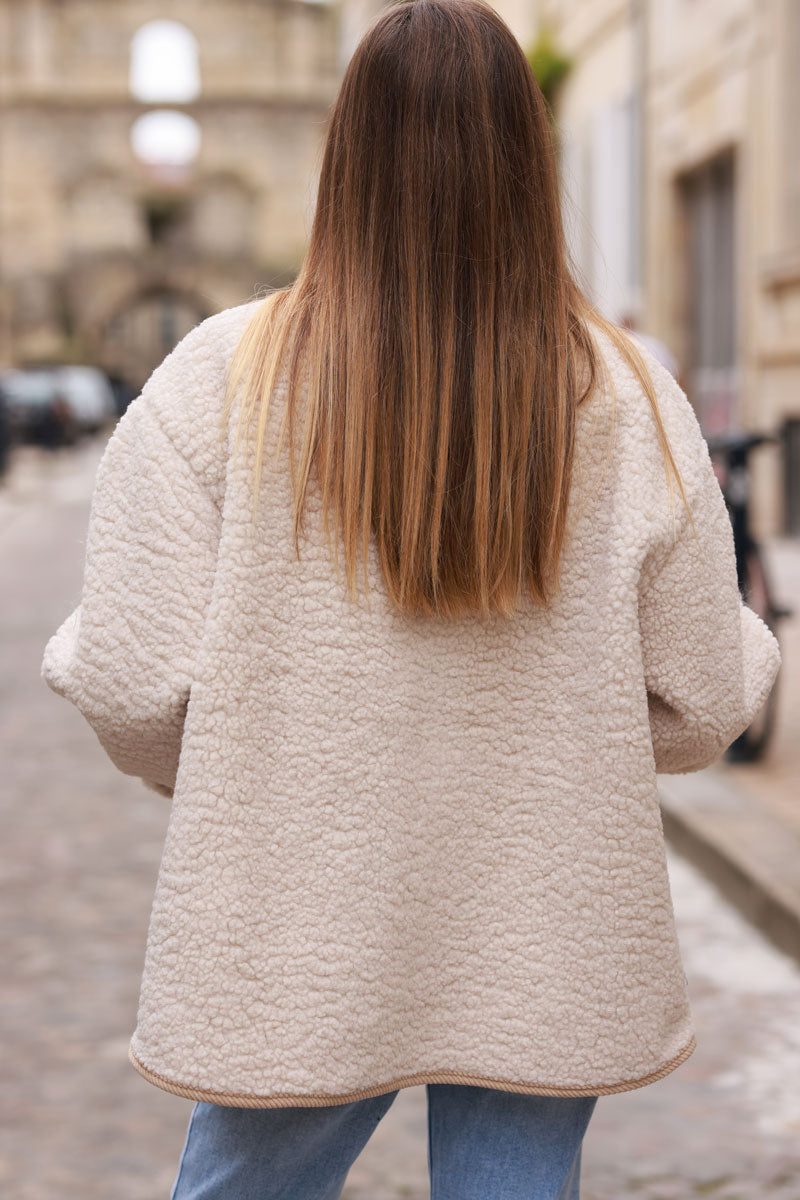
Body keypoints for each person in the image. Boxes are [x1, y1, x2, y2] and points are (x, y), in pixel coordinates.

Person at [39, 1, 781, 1196]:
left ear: (344, 157)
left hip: (296, 915)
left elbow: (128, 679)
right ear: (525, 166)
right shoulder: (625, 392)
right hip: (544, 912)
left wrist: (250, 755)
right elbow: (702, 698)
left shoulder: (219, 378)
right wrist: (563, 730)